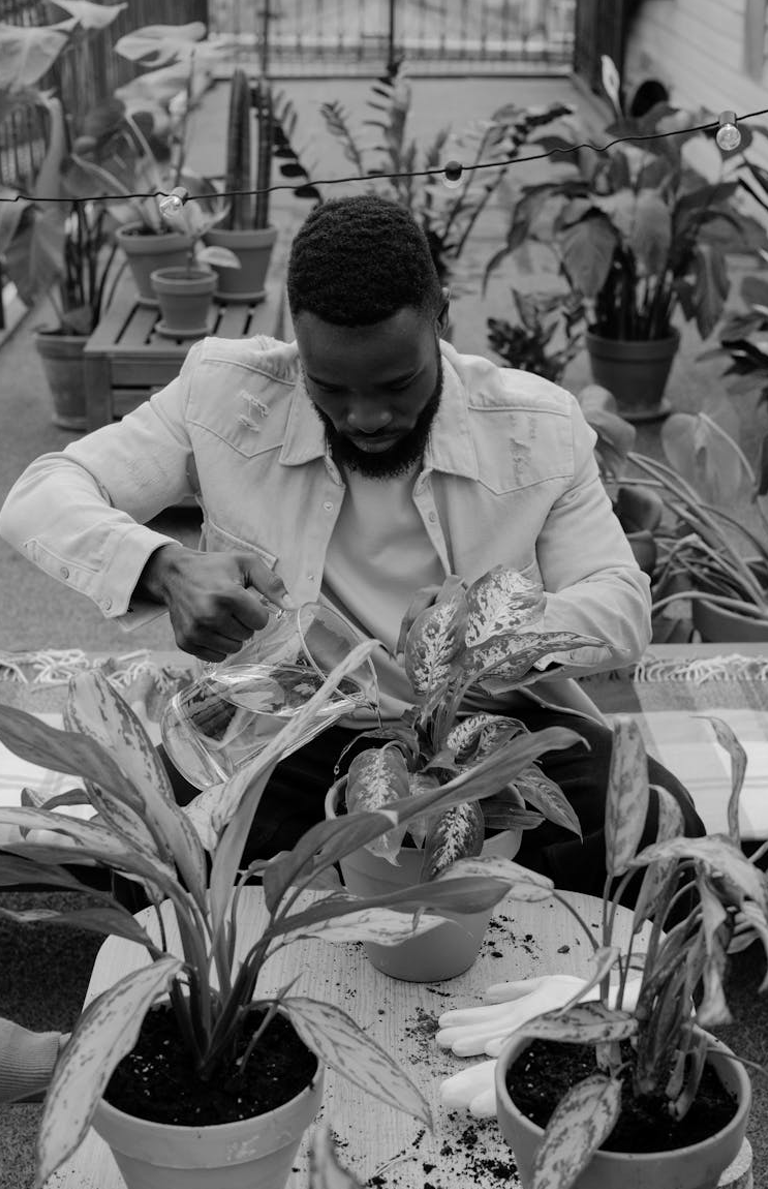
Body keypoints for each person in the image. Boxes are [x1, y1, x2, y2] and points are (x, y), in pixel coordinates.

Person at [0, 194, 703, 897]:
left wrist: (493, 626)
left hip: (492, 729)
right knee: (155, 858)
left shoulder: (538, 429)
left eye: (398, 383)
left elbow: (619, 606)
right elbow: (41, 494)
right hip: (286, 732)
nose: (366, 417)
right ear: (295, 342)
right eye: (328, 387)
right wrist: (165, 566)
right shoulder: (222, 395)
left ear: (440, 325)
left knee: (661, 837)